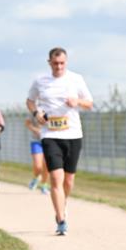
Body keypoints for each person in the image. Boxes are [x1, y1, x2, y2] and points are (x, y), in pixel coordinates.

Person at [26, 47, 94, 235]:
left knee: (69, 180)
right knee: (56, 178)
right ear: (49, 62)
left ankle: (63, 204)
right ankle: (60, 219)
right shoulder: (40, 81)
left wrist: (77, 102)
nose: (59, 66)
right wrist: (36, 113)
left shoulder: (76, 79)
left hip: (72, 134)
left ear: (66, 62)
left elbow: (89, 103)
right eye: (55, 63)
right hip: (50, 135)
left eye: (62, 63)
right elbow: (30, 101)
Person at [24, 115, 50, 194]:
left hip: (49, 141)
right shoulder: (35, 111)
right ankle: (36, 178)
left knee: (46, 164)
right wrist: (35, 129)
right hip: (36, 141)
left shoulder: (52, 109)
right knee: (38, 165)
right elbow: (27, 123)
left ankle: (44, 185)